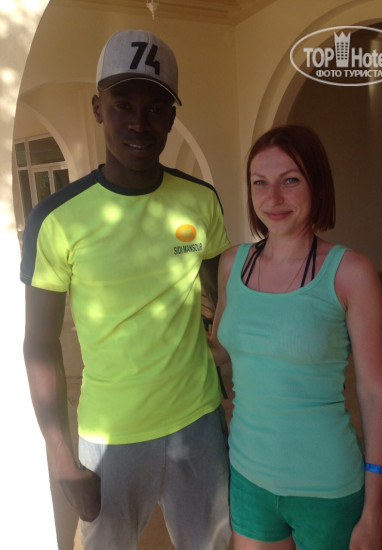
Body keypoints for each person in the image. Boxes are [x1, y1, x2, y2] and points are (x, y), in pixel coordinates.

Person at [21, 29, 231, 550]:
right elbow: (40, 343)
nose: (140, 123)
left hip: (198, 422)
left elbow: (223, 298)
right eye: (123, 105)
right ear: (98, 108)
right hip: (109, 434)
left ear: (172, 117)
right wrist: (60, 455)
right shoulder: (57, 218)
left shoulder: (200, 201)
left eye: (156, 108)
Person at [208, 125, 382, 550]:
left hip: (326, 487)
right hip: (249, 476)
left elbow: (375, 394)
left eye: (290, 180)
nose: (273, 198)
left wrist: (374, 511)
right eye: (260, 182)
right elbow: (220, 349)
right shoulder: (233, 263)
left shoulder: (350, 272)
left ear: (317, 184)